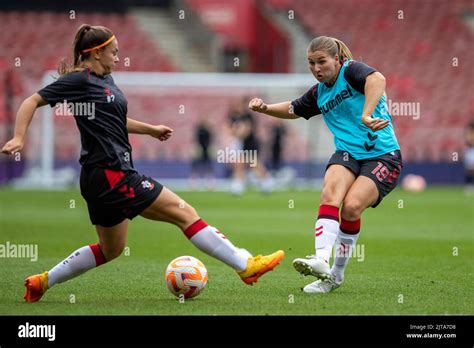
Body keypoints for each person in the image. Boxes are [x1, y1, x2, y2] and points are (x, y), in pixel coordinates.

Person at [1, 24, 284, 302]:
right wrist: (18, 137)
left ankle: (42, 281)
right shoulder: (80, 80)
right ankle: (245, 266)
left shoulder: (106, 82)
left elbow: (114, 121)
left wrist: (150, 129)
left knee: (111, 249)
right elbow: (31, 101)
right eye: (113, 52)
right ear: (96, 53)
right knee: (185, 213)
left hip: (99, 178)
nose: (117, 57)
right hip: (112, 173)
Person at [249, 36, 402, 293]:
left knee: (352, 208)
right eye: (311, 63)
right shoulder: (318, 93)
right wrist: (264, 108)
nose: (316, 68)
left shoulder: (351, 70)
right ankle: (321, 259)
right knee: (330, 193)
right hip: (347, 154)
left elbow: (377, 79)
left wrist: (366, 113)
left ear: (337, 60)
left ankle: (335, 276)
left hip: (383, 155)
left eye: (322, 62)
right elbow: (293, 109)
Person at [227, 97, 273, 195]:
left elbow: (247, 131)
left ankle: (267, 182)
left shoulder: (248, 116)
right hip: (239, 143)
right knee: (239, 165)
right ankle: (238, 185)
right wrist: (236, 133)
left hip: (250, 143)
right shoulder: (233, 116)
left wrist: (238, 132)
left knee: (255, 164)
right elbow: (230, 129)